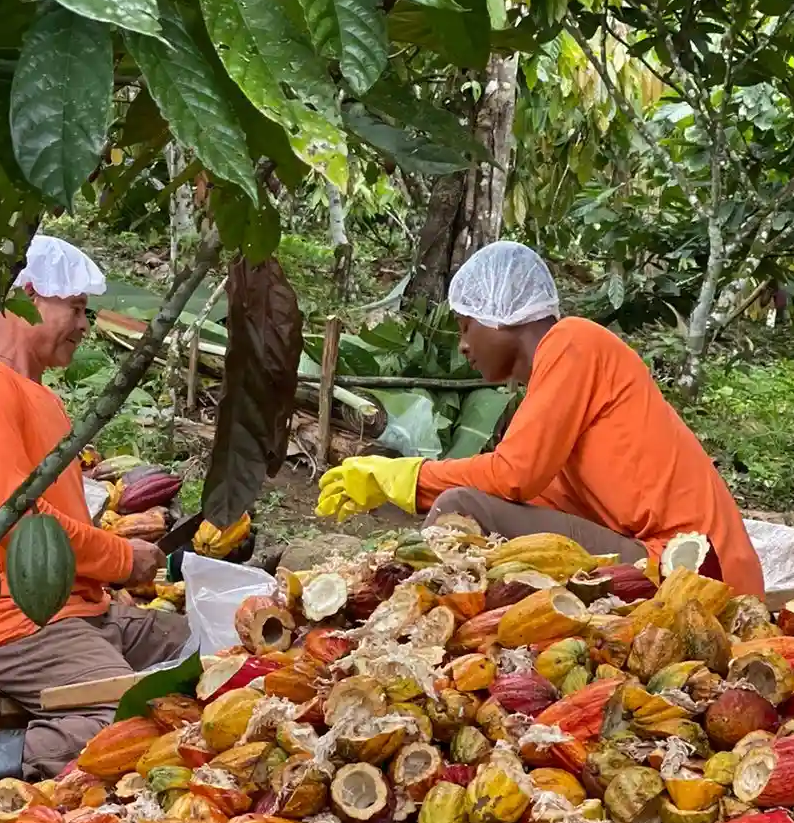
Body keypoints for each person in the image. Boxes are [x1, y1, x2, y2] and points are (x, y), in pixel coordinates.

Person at [316, 240, 764, 595]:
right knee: (472, 508)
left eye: (465, 326)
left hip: (692, 569)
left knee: (460, 506)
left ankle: (407, 622)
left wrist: (409, 479)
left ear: (499, 316)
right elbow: (537, 499)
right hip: (665, 561)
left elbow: (514, 475)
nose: (464, 346)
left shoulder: (573, 342)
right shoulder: (559, 375)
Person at [0, 235, 191, 781]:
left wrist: (115, 567)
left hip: (81, 613)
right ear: (26, 296)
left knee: (212, 659)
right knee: (122, 724)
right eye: (75, 308)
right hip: (8, 624)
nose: (83, 323)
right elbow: (17, 528)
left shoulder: (35, 394)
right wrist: (122, 559)